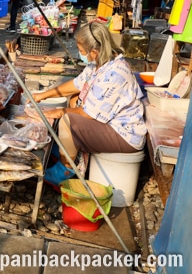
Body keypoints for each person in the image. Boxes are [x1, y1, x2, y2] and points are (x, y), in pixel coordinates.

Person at [32, 22, 146, 187]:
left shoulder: (115, 73)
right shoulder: (98, 64)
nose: (80, 53)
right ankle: (62, 150)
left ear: (94, 51)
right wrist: (43, 95)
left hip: (125, 135)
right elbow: (77, 84)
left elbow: (87, 113)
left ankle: (65, 170)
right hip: (111, 125)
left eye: (82, 50)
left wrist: (59, 111)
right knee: (73, 99)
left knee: (66, 119)